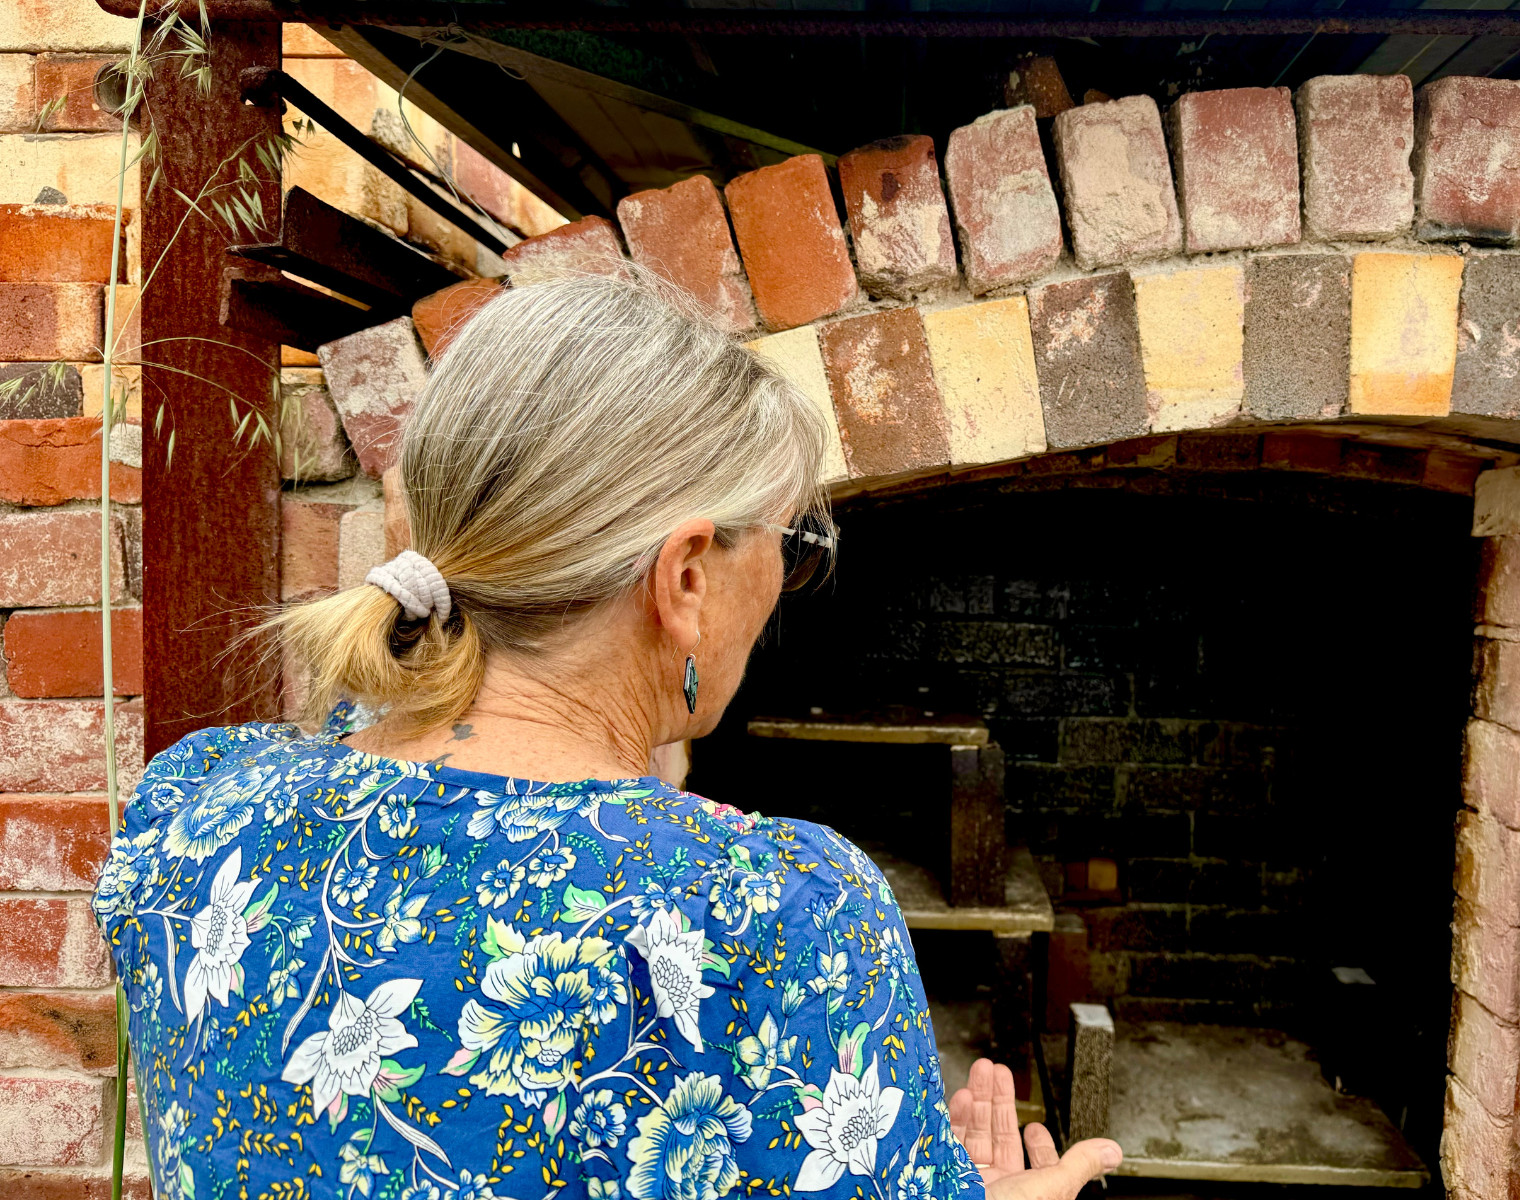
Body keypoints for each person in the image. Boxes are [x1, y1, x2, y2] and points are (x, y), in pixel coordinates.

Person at [94, 274, 1121, 1200]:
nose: (782, 586)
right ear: (684, 577)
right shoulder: (779, 918)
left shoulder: (199, 805)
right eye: (793, 545)